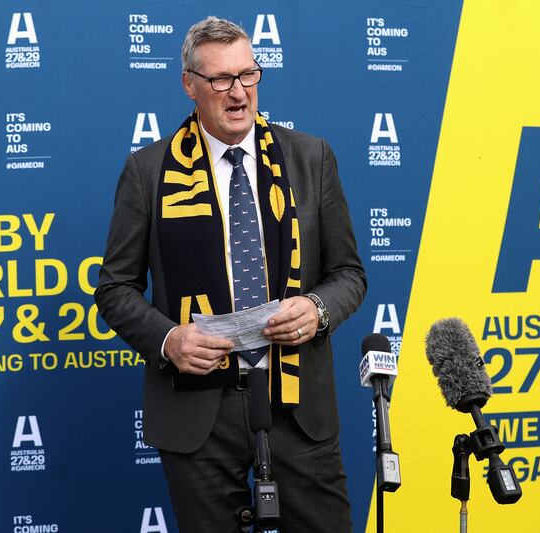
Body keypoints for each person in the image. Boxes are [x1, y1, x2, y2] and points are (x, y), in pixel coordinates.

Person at [95, 16, 366, 532]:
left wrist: (317, 309)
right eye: (221, 79)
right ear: (189, 84)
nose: (239, 93)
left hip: (297, 406)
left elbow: (348, 273)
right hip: (198, 413)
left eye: (248, 75)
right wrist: (169, 339)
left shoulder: (311, 158)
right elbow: (115, 288)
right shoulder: (148, 171)